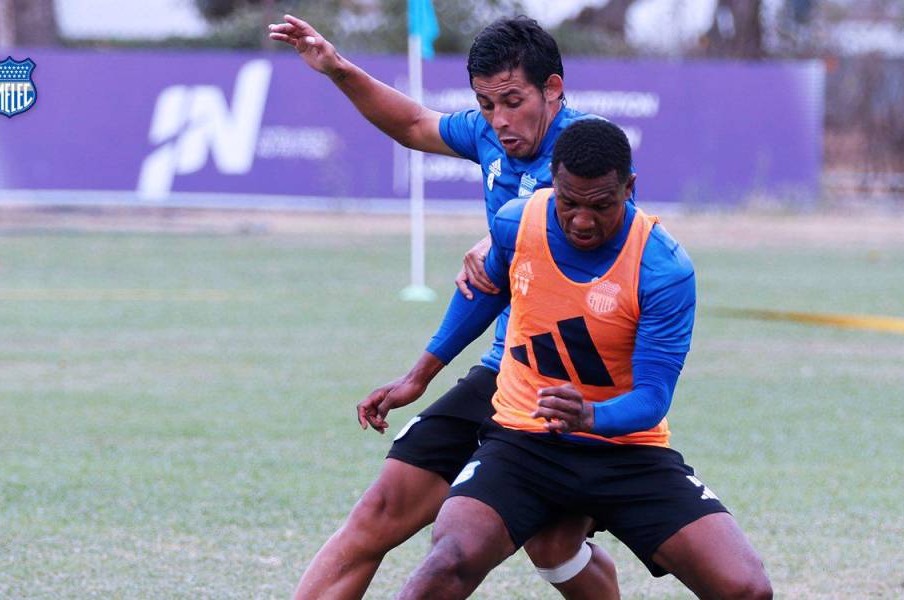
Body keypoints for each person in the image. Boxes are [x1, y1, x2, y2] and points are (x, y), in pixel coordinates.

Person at [268, 14, 622, 599]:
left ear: (553, 89)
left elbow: (593, 229)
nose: (500, 121)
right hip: (502, 365)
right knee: (379, 511)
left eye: (513, 101)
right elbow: (412, 123)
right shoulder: (489, 134)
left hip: (573, 384)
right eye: (486, 104)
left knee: (553, 545)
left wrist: (509, 236)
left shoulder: (585, 151)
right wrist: (337, 68)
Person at [364, 119, 773, 599]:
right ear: (553, 184)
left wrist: (589, 415)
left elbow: (652, 399)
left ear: (630, 189)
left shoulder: (662, 269)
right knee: (446, 562)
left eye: (600, 205)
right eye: (569, 202)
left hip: (627, 450)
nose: (581, 220)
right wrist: (420, 374)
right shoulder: (518, 222)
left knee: (747, 588)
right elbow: (485, 291)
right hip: (523, 442)